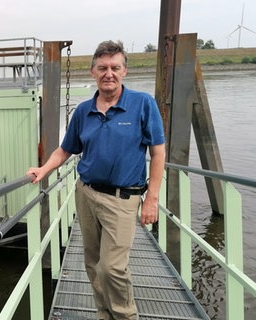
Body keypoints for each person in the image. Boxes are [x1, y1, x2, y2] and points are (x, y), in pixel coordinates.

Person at [27, 40, 166, 320]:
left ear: (125, 71)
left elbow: (158, 151)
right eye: (102, 68)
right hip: (87, 193)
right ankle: (105, 314)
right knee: (93, 264)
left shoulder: (142, 104)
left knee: (112, 267)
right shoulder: (83, 111)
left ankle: (126, 316)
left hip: (123, 198)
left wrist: (151, 197)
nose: (109, 73)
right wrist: (44, 170)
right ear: (93, 72)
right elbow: (65, 149)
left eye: (115, 67)